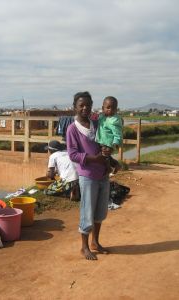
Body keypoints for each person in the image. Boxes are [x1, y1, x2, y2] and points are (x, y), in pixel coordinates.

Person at [66, 91, 111, 260]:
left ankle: (95, 242)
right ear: (75, 107)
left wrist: (109, 158)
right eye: (81, 105)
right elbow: (73, 154)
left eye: (88, 105)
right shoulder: (72, 129)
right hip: (88, 176)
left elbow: (103, 144)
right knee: (87, 211)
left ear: (92, 106)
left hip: (103, 174)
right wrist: (94, 158)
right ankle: (84, 247)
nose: (85, 108)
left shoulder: (96, 124)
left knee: (100, 211)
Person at [95, 96, 123, 175]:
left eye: (113, 108)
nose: (110, 110)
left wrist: (116, 143)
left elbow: (118, 132)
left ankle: (108, 169)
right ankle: (116, 164)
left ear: (116, 109)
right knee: (105, 156)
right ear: (103, 108)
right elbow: (97, 120)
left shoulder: (115, 120)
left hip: (109, 142)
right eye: (108, 107)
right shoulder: (102, 116)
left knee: (104, 155)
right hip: (102, 140)